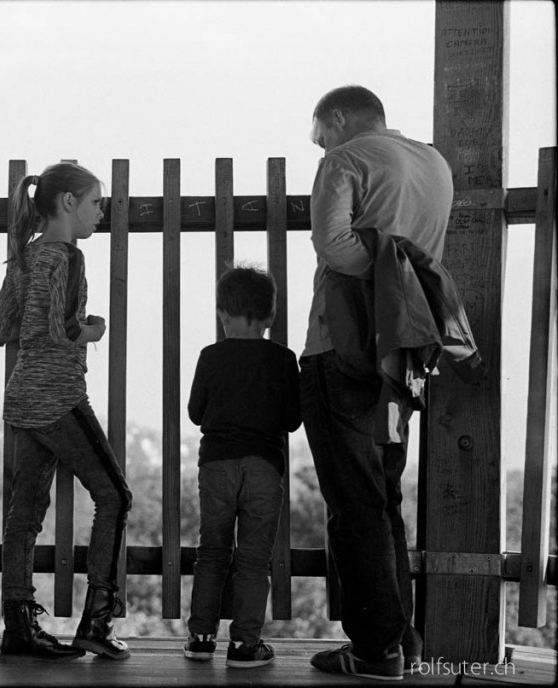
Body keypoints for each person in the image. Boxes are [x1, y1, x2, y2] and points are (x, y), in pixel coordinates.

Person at [301, 85, 454, 681]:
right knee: (384, 497)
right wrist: (398, 264)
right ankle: (401, 642)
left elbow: (334, 247)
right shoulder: (434, 162)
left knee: (353, 502)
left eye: (319, 137)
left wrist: (379, 260)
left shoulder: (346, 161)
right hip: (400, 358)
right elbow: (423, 252)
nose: (319, 151)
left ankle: (373, 650)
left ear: (338, 120)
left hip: (340, 351)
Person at [0, 162, 133, 663]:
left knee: (24, 512)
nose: (101, 213)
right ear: (68, 203)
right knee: (115, 496)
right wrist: (88, 331)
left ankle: (18, 626)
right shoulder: (68, 258)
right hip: (58, 397)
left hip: (23, 399)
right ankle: (97, 621)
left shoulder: (27, 258)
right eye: (96, 203)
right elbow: (57, 327)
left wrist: (47, 314)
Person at [182, 266, 301, 668]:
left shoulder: (210, 357)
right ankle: (246, 646)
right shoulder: (283, 359)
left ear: (222, 313)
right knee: (253, 557)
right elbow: (292, 419)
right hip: (265, 466)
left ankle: (200, 638)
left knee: (212, 551)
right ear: (270, 317)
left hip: (217, 464)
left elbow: (196, 413)